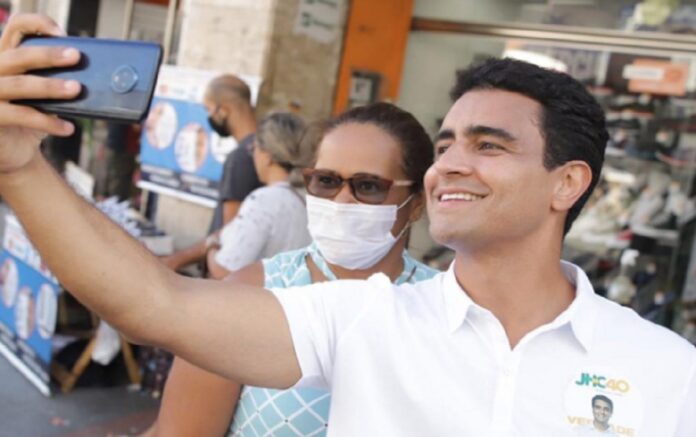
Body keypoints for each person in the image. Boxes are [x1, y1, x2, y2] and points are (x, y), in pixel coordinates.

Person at [0, 14, 694, 436]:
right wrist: (22, 168)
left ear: (567, 183)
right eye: (446, 143)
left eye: (488, 145)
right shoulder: (366, 317)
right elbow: (155, 305)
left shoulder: (665, 370)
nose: (451, 164)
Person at [149, 103, 438, 436]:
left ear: (416, 203)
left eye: (369, 186)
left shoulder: (444, 306)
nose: (341, 201)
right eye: (326, 181)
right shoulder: (252, 292)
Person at [161, 74, 262, 271]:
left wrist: (175, 260)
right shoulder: (261, 150)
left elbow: (229, 234)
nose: (209, 117)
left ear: (223, 110)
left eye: (208, 109)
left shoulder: (241, 158)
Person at [205, 112, 314, 279]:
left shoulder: (264, 201)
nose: (253, 155)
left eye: (254, 148)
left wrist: (211, 246)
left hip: (258, 294)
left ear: (268, 156)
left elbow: (225, 271)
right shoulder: (310, 197)